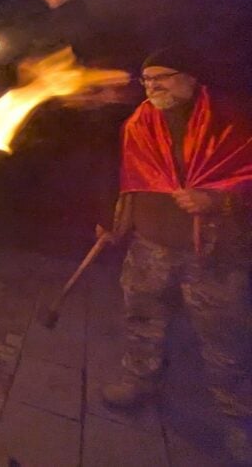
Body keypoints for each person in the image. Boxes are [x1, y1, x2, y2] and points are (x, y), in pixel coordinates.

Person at [101, 48, 252, 462]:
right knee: (142, 317)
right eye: (146, 80)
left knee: (225, 337)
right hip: (151, 244)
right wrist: (112, 222)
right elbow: (127, 177)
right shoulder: (140, 123)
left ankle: (239, 419)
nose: (152, 87)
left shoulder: (232, 121)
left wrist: (217, 201)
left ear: (190, 78)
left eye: (162, 78)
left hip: (214, 252)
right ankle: (140, 381)